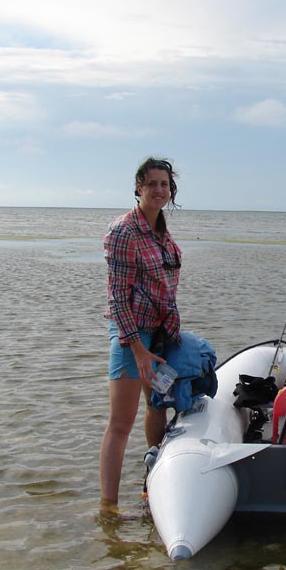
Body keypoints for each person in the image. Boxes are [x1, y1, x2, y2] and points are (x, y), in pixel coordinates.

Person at [99, 157, 182, 505]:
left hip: (160, 334)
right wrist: (139, 351)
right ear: (138, 188)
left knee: (157, 406)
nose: (158, 190)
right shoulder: (123, 231)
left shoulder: (162, 230)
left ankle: (153, 485)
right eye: (152, 184)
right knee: (120, 423)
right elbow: (118, 298)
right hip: (131, 336)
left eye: (164, 184)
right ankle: (109, 507)